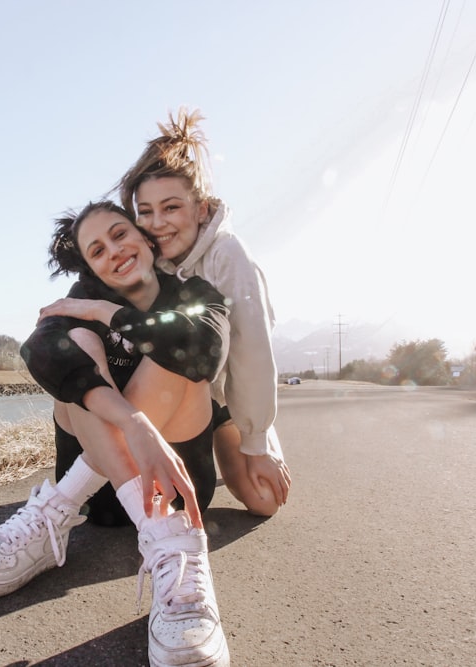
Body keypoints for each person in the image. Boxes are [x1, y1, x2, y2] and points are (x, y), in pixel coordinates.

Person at [0, 201, 232, 667]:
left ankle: (156, 545)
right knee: (74, 346)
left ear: (144, 237)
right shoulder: (76, 299)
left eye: (121, 234)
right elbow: (40, 349)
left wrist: (105, 311)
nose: (114, 251)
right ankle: (148, 535)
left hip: (179, 492)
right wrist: (133, 423)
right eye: (97, 250)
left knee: (181, 353)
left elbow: (206, 351)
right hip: (103, 501)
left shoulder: (194, 292)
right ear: (89, 264)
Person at [116, 107, 292, 517]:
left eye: (172, 207)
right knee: (163, 503)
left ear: (200, 207)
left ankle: (227, 439)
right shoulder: (145, 258)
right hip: (175, 391)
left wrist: (256, 441)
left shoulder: (228, 255)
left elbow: (252, 355)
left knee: (264, 502)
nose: (157, 223)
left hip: (225, 396)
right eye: (146, 211)